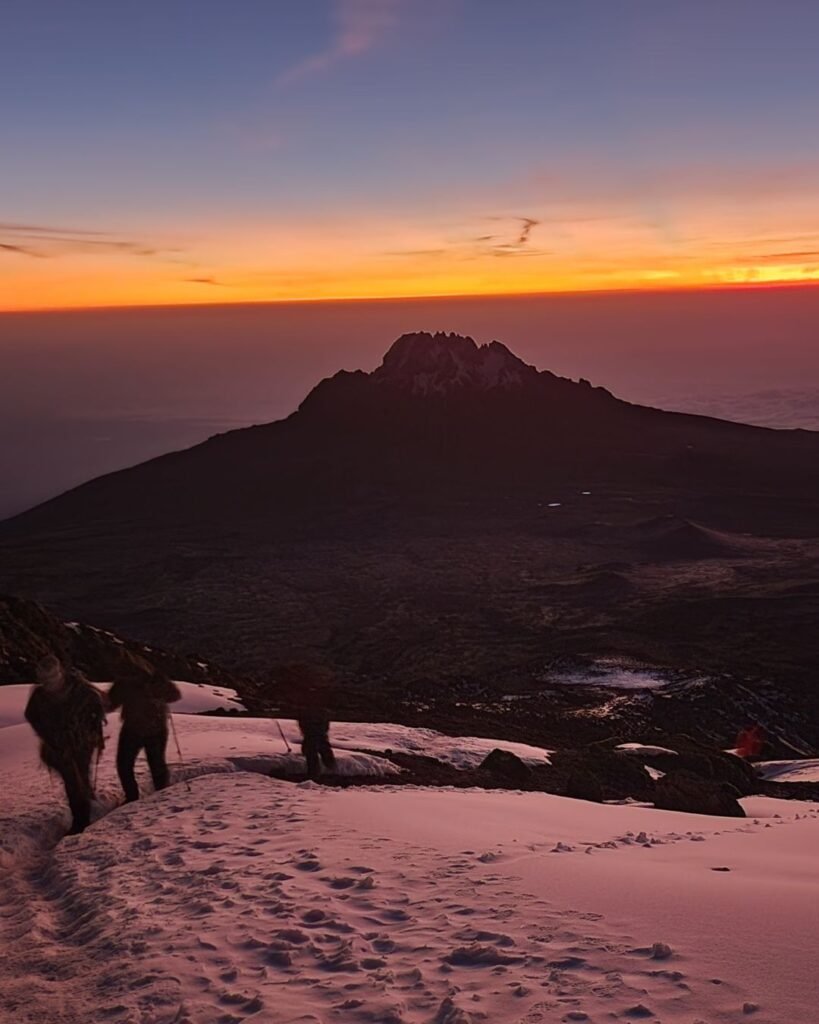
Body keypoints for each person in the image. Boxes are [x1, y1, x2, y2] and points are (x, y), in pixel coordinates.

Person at [24, 654, 106, 835]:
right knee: (73, 780)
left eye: (50, 678)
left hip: (81, 743)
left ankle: (82, 819)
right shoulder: (43, 695)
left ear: (59, 673)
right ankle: (82, 817)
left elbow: (98, 708)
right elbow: (31, 715)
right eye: (44, 679)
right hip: (60, 747)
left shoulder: (81, 690)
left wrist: (90, 728)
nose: (48, 683)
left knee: (78, 777)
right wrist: (48, 735)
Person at [107, 652, 181, 802]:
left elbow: (110, 704)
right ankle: (161, 796)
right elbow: (174, 695)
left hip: (133, 728)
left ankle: (132, 798)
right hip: (156, 727)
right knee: (156, 764)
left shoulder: (123, 683)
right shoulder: (154, 678)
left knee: (125, 765)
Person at [298, 707, 337, 781]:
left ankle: (314, 775)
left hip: (313, 734)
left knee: (313, 752)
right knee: (320, 751)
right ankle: (328, 770)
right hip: (316, 733)